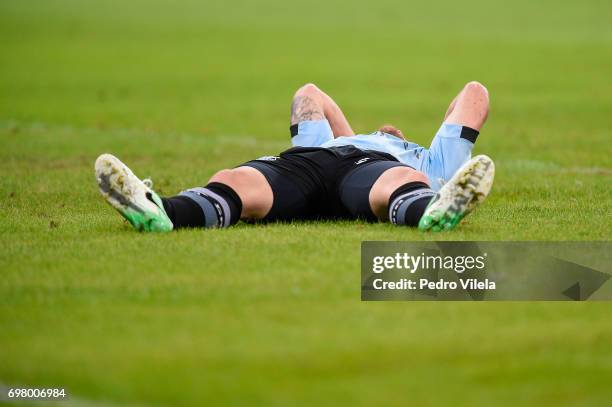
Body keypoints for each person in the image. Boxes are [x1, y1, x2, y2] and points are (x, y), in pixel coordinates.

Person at [94, 82, 494, 233]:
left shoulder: (429, 161)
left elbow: (473, 95)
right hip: (311, 162)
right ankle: (163, 212)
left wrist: (442, 133)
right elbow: (310, 94)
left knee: (400, 183)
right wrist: (350, 136)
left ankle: (430, 211)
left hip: (374, 173)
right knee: (235, 181)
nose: (388, 129)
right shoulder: (333, 140)